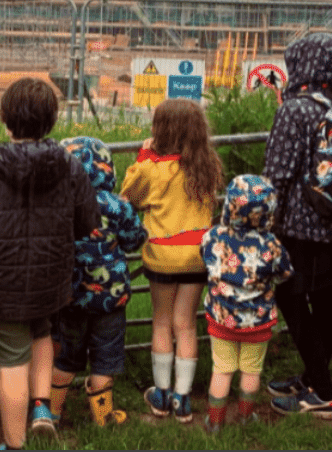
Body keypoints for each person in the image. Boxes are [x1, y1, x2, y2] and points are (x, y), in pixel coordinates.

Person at [0, 77, 100, 450]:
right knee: (42, 335)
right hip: (52, 278)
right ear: (51, 122)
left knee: (11, 364)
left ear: (5, 118)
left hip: (3, 285)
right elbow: (88, 223)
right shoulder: (69, 166)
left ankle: (15, 444)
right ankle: (41, 410)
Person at [261, 32, 332, 419]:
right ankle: (312, 376)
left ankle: (322, 392)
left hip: (302, 227)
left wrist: (263, 221)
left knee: (290, 297)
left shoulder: (296, 110)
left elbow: (277, 173)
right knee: (325, 298)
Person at [120, 98, 223, 424]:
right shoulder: (208, 167)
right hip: (196, 257)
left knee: (162, 322)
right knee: (186, 325)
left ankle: (161, 394)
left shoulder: (154, 169)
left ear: (160, 130)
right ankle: (183, 399)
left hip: (162, 256)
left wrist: (144, 156)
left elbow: (128, 198)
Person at [48, 136, 148, 427]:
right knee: (105, 358)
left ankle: (51, 414)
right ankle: (103, 417)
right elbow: (135, 240)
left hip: (70, 296)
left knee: (65, 357)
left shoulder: (58, 205)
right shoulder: (117, 206)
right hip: (111, 297)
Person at [200, 174, 293, 433]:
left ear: (230, 205)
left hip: (222, 317)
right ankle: (244, 417)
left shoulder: (213, 237)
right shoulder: (271, 245)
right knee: (251, 371)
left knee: (222, 369)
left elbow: (204, 258)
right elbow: (286, 273)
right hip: (258, 320)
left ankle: (215, 422)